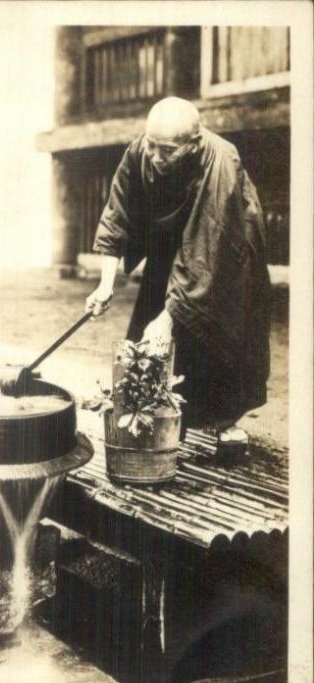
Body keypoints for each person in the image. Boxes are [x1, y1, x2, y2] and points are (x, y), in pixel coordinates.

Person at [85, 96, 271, 447]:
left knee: (222, 326)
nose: (155, 157)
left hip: (228, 239)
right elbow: (116, 215)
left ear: (193, 143)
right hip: (171, 238)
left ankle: (225, 418)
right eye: (151, 146)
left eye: (166, 151)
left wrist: (167, 319)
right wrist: (105, 285)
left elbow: (205, 251)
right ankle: (156, 413)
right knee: (150, 331)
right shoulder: (142, 150)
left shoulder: (221, 162)